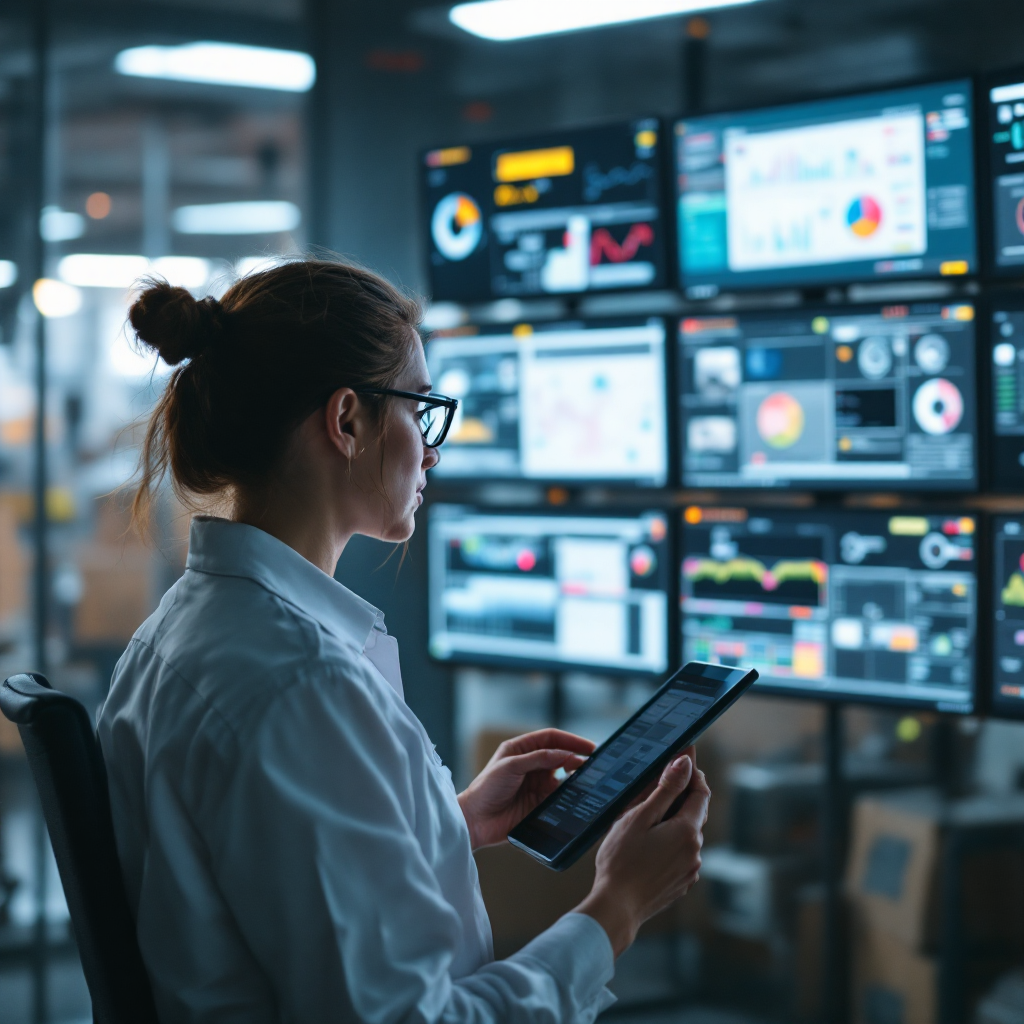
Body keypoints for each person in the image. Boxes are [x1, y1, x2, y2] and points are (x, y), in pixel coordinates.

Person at [97, 259, 711, 1024]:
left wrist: (442, 823)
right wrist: (616, 908)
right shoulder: (301, 687)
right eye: (419, 409)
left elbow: (255, 869)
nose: (431, 450)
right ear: (347, 420)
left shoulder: (181, 632)